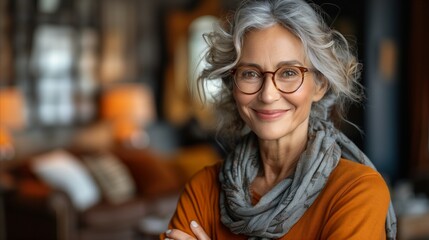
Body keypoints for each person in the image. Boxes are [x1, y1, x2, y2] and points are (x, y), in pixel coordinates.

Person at [161, 0, 397, 239]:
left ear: (320, 85)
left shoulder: (356, 191)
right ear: (233, 84)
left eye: (289, 73)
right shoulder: (203, 189)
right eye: (250, 73)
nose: (268, 94)